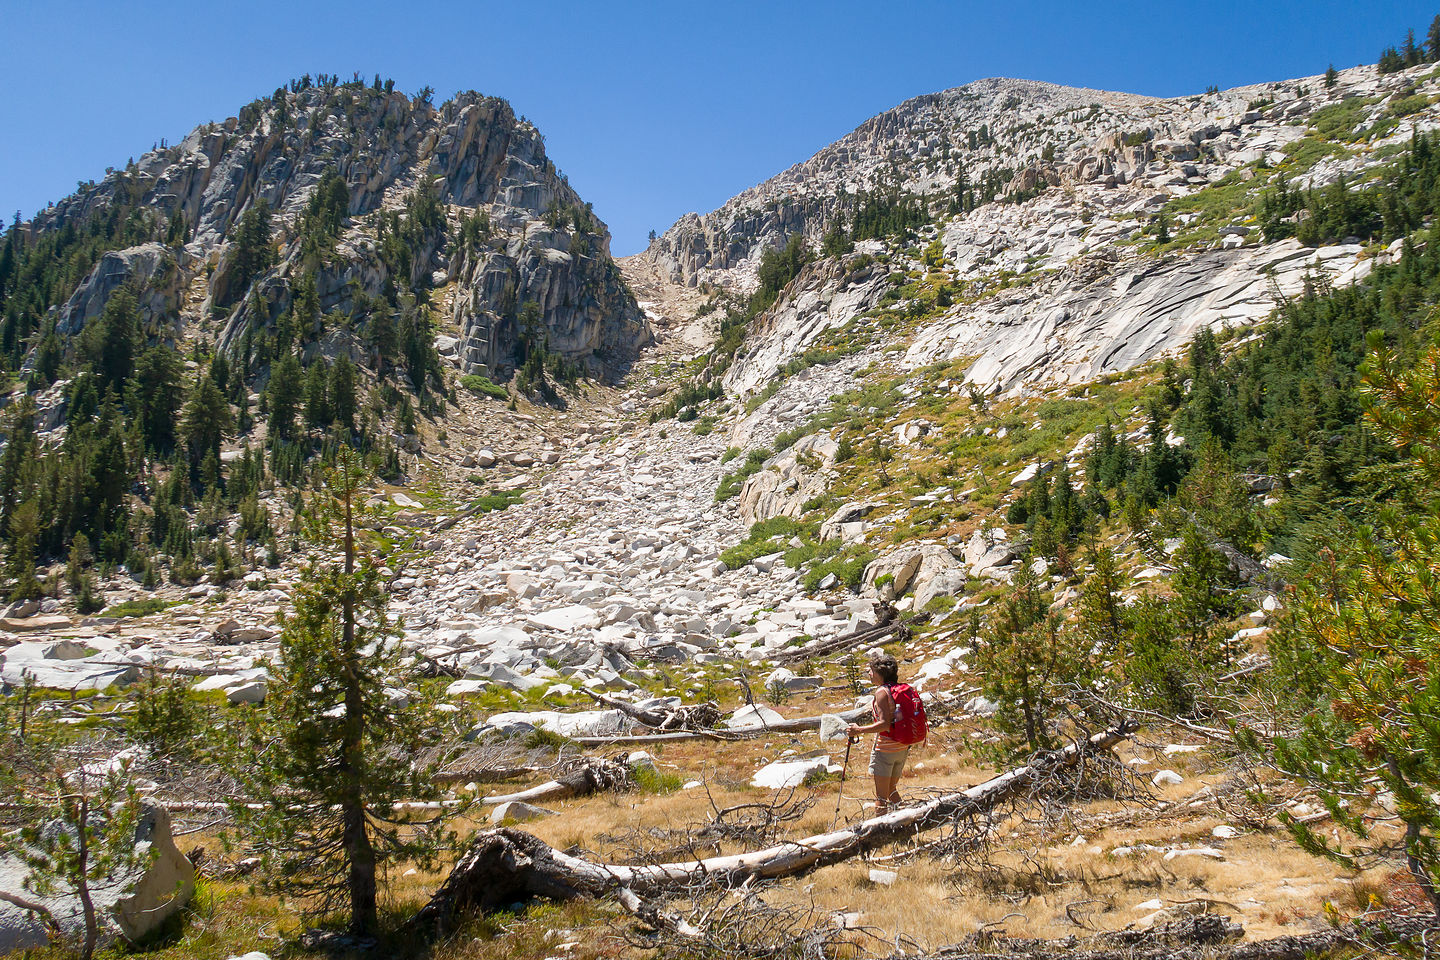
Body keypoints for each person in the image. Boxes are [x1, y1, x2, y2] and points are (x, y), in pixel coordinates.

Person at [846, 653, 915, 814]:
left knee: (881, 797)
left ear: (879, 673)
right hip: (901, 747)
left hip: (885, 750)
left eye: (871, 671)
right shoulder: (900, 689)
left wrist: (858, 730)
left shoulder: (882, 692)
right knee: (891, 790)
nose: (869, 674)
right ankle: (908, 820)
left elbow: (884, 724)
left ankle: (879, 833)